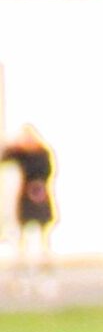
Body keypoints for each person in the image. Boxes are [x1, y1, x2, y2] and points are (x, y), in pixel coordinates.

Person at [2, 126, 55, 297]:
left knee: (41, 240)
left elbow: (46, 172)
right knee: (24, 239)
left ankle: (44, 275)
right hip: (26, 201)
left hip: (39, 199)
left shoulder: (42, 154)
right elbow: (5, 156)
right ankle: (24, 277)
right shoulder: (20, 154)